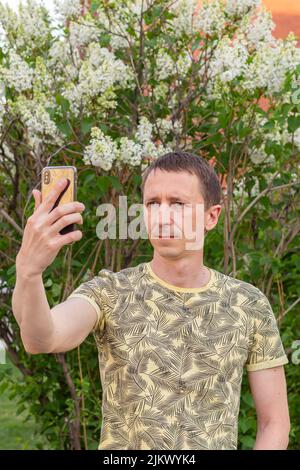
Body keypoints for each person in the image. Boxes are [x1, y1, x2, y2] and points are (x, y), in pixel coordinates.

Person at [12, 151, 290, 450]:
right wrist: (29, 270)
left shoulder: (248, 303)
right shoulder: (110, 291)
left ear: (212, 216)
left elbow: (274, 422)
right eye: (152, 203)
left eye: (178, 204)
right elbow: (42, 338)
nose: (162, 214)